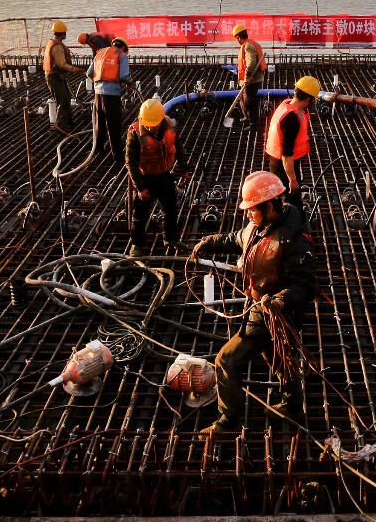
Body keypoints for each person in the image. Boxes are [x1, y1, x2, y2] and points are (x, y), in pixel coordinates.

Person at [191, 171, 318, 434]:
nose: (248, 214)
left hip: (275, 313)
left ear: (269, 206)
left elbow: (305, 285)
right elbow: (237, 238)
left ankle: (227, 421)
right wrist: (209, 243)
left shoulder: (294, 241)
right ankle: (293, 407)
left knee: (226, 360)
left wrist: (281, 300)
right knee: (279, 358)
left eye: (252, 209)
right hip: (262, 308)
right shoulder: (259, 225)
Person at [125, 98, 189, 248]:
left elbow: (178, 148)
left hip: (165, 176)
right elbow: (131, 163)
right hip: (145, 178)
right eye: (147, 125)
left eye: (154, 125)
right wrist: (140, 187)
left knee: (171, 210)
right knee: (139, 216)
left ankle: (170, 239)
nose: (150, 128)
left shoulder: (170, 127)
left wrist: (184, 170)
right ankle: (137, 245)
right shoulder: (135, 134)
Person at [264, 75, 320, 213]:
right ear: (309, 99)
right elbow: (286, 153)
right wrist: (292, 180)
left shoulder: (286, 105)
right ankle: (292, 228)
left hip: (279, 163)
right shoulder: (291, 118)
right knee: (292, 202)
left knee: (283, 199)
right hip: (282, 166)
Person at [91, 36, 131, 162]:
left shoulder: (100, 52)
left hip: (97, 94)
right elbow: (124, 76)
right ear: (123, 47)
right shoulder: (121, 55)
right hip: (112, 96)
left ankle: (98, 151)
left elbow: (89, 73)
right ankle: (118, 156)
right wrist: (131, 84)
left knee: (100, 124)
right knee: (114, 126)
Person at [43, 20, 83, 130]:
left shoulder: (55, 43)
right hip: (54, 76)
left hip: (57, 76)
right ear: (63, 33)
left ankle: (68, 121)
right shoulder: (57, 47)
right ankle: (61, 125)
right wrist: (76, 69)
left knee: (67, 98)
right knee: (63, 100)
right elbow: (62, 64)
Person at [232, 24, 267, 127]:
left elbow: (251, 63)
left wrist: (247, 76)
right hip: (249, 79)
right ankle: (247, 116)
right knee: (243, 98)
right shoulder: (252, 43)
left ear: (238, 38)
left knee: (250, 100)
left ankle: (254, 123)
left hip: (252, 79)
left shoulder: (248, 46)